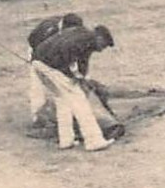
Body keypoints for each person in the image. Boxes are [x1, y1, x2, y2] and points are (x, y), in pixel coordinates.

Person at [31, 23, 117, 152]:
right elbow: (67, 50)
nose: (102, 49)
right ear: (99, 38)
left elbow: (82, 60)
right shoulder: (86, 39)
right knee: (79, 100)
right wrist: (74, 74)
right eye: (104, 45)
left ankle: (66, 140)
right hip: (51, 66)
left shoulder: (84, 37)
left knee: (62, 101)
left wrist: (82, 77)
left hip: (38, 64)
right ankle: (93, 140)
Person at [27, 12, 84, 127]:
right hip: (38, 52)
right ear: (63, 26)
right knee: (37, 84)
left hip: (57, 52)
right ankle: (37, 116)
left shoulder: (75, 32)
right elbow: (32, 41)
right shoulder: (46, 31)